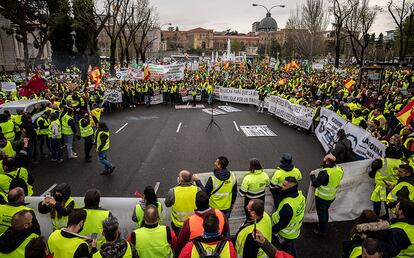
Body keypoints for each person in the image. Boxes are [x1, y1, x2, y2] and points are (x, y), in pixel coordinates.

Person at [310, 154, 344, 237]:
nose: (323, 159)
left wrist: (312, 175)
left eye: (324, 159)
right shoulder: (339, 170)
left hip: (322, 198)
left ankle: (322, 230)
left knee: (322, 215)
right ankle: (323, 224)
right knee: (325, 212)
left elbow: (315, 184)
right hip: (331, 197)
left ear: (328, 162)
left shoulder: (325, 173)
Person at [271, 177, 305, 257]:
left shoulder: (287, 206)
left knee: (287, 251)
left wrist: (272, 230)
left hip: (286, 233)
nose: (281, 186)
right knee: (291, 246)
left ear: (290, 189)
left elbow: (282, 224)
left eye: (284, 185)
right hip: (294, 231)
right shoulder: (300, 196)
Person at [369, 146, 404, 217]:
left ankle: (376, 218)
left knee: (377, 203)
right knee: (389, 204)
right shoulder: (402, 162)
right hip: (394, 188)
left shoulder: (381, 161)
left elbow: (372, 171)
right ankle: (390, 219)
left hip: (380, 187)